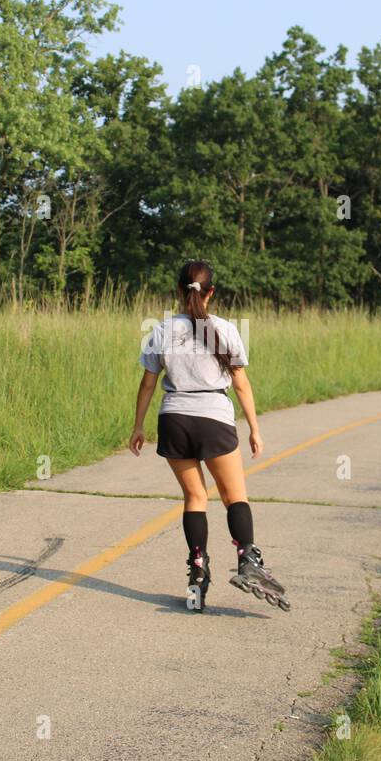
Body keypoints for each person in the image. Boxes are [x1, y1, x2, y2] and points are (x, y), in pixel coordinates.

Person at [129, 260, 288, 613]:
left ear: (178, 291)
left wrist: (138, 426)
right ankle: (248, 560)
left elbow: (148, 383)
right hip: (214, 419)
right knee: (235, 497)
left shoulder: (160, 331)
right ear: (211, 292)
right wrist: (254, 429)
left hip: (174, 419)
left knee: (195, 496)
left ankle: (197, 571)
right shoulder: (227, 330)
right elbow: (242, 384)